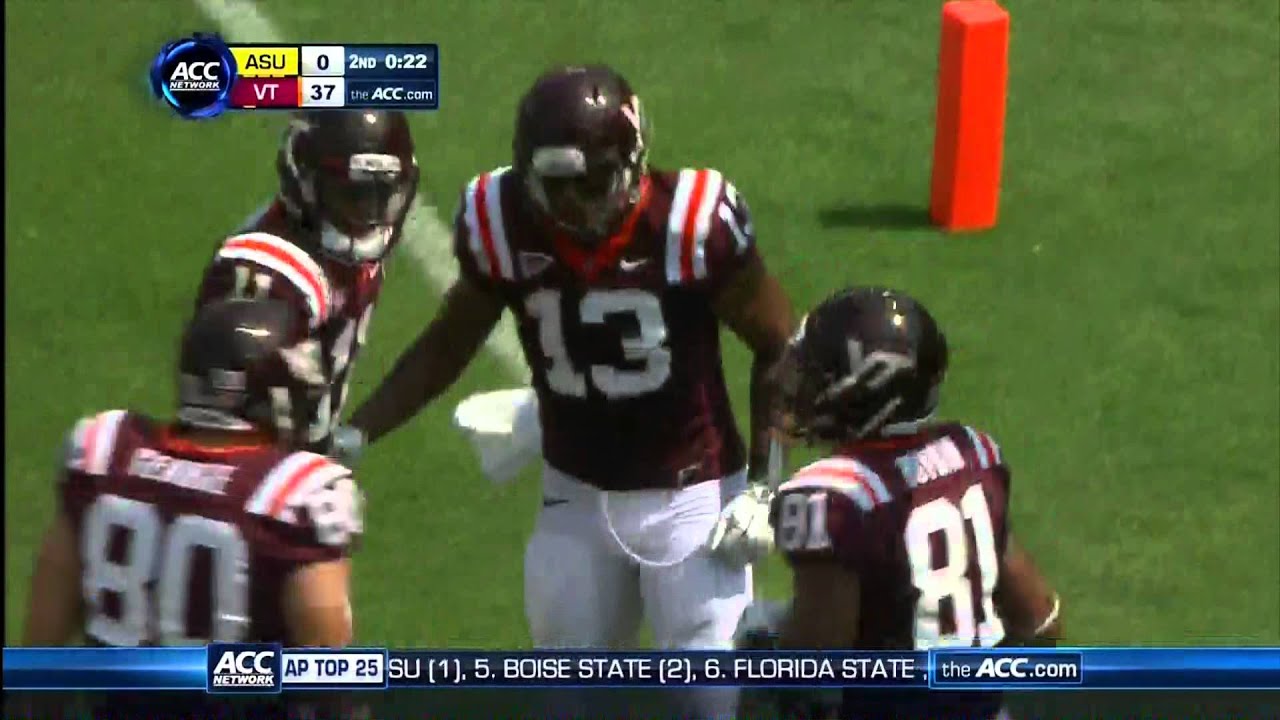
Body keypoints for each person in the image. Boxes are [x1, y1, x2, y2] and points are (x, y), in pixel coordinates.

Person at [342, 64, 795, 717]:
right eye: (561, 186)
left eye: (597, 182)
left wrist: (764, 486)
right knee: (567, 695)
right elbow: (451, 340)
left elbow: (780, 344)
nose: (582, 203)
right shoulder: (502, 218)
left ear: (634, 160)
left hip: (691, 496)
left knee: (706, 699)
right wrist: (359, 429)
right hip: (576, 490)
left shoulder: (688, 220)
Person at [760, 287, 1062, 720]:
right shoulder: (972, 453)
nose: (799, 386)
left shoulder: (830, 495)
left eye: (818, 375)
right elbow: (1042, 621)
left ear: (862, 394)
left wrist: (763, 652)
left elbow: (813, 670)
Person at [22, 299, 362, 650]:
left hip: (104, 700)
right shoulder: (292, 493)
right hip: (231, 704)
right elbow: (326, 670)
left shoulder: (105, 453)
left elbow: (41, 644)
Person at [193, 109, 419, 454]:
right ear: (305, 183)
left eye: (382, 193)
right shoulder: (266, 275)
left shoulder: (359, 234)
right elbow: (227, 427)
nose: (368, 214)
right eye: (353, 196)